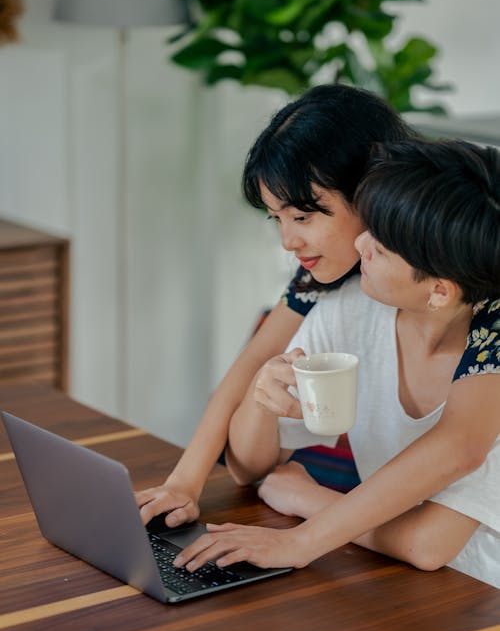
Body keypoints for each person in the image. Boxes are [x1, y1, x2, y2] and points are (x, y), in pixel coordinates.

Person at [135, 85, 497, 529]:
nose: (288, 241)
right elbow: (252, 363)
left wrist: (307, 517)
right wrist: (184, 483)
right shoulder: (337, 286)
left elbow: (461, 444)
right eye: (277, 219)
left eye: (302, 217)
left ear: (368, 192)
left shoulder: (474, 285)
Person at [173, 140, 500, 588]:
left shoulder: (488, 373)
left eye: (381, 246)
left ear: (439, 290)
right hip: (393, 584)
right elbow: (256, 466)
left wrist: (308, 506)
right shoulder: (350, 307)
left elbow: (428, 545)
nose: (360, 241)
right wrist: (260, 399)